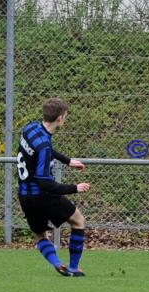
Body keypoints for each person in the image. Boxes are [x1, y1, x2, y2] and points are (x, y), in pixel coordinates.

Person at [17, 98, 90, 277]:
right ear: (60, 118)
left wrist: (67, 161)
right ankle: (73, 267)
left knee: (40, 236)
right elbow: (46, 183)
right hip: (43, 195)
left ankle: (57, 263)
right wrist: (75, 187)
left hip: (25, 196)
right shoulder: (44, 147)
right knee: (78, 221)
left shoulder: (30, 128)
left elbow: (46, 150)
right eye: (65, 115)